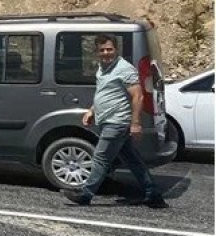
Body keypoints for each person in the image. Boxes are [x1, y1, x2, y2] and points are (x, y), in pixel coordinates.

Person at [62, 34, 167, 208]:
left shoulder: (124, 69)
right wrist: (92, 110)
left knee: (101, 157)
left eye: (109, 49)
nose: (106, 53)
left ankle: (85, 194)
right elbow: (105, 92)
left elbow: (138, 96)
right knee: (132, 160)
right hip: (108, 120)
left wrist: (135, 123)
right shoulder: (102, 68)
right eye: (102, 50)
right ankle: (153, 194)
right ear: (97, 52)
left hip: (117, 121)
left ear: (116, 50)